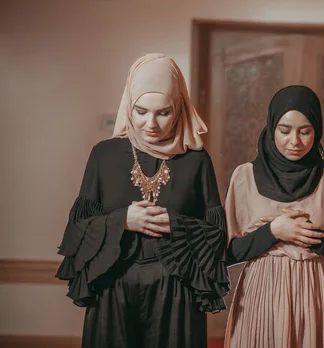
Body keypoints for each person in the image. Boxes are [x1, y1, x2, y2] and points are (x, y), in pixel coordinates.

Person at [55, 53, 229, 348]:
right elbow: (78, 231)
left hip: (176, 289)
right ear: (128, 106)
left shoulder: (195, 160)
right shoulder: (104, 155)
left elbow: (216, 236)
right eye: (141, 111)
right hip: (114, 285)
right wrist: (122, 220)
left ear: (179, 108)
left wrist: (176, 224)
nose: (151, 123)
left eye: (163, 112)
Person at [223, 85, 324, 348]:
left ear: (317, 131)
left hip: (317, 289)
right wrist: (274, 231)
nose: (294, 142)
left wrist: (311, 237)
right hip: (262, 292)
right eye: (284, 130)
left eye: (305, 131)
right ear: (271, 126)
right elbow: (229, 252)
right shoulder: (245, 176)